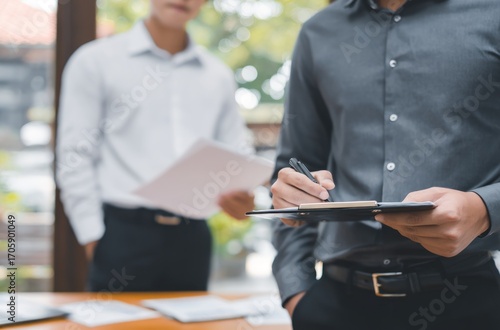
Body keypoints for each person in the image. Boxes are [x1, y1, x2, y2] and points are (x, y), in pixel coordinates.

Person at [270, 0, 500, 329]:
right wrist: (297, 296)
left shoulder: (492, 15)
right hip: (334, 307)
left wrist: (484, 209)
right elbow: (293, 170)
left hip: (467, 301)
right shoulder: (317, 32)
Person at [56, 0, 255, 292]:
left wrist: (244, 196)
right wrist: (92, 236)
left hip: (193, 236)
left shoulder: (218, 75)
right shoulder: (95, 61)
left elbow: (237, 153)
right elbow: (74, 154)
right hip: (122, 234)